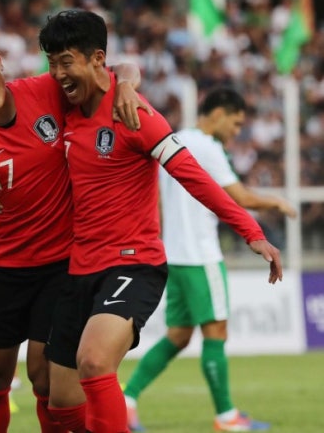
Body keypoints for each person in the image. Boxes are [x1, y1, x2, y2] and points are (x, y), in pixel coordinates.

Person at [38, 10, 282, 433]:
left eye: (66, 62)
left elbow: (196, 178)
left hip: (134, 263)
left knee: (95, 363)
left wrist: (251, 232)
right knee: (59, 399)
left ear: (96, 59)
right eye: (51, 63)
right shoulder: (66, 109)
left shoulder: (137, 115)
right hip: (78, 267)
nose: (57, 73)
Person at [0, 15, 144, 433]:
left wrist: (126, 85)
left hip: (62, 265)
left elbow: (119, 69)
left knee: (46, 378)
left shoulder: (46, 90)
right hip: (3, 268)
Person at [123, 88, 297, 432]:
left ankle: (127, 400)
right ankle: (226, 417)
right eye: (235, 123)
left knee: (179, 335)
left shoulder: (171, 139)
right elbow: (240, 198)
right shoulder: (209, 147)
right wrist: (276, 202)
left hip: (173, 255)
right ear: (217, 114)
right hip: (200, 255)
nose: (236, 132)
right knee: (216, 331)